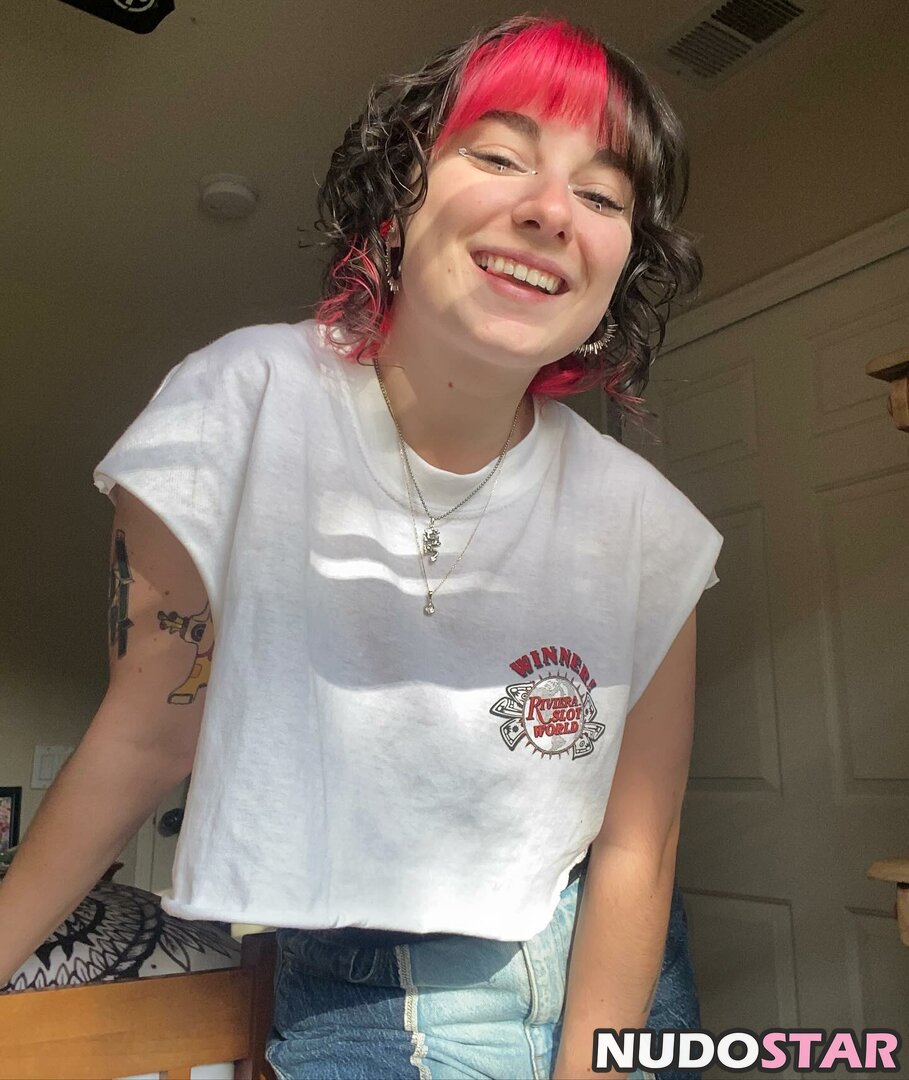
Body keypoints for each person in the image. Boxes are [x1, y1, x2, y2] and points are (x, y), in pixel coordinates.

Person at [0, 13, 722, 1080]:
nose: (549, 211)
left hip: (625, 985)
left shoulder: (649, 526)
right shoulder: (241, 407)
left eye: (603, 196)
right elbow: (147, 731)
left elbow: (635, 845)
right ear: (400, 192)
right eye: (499, 155)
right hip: (371, 998)